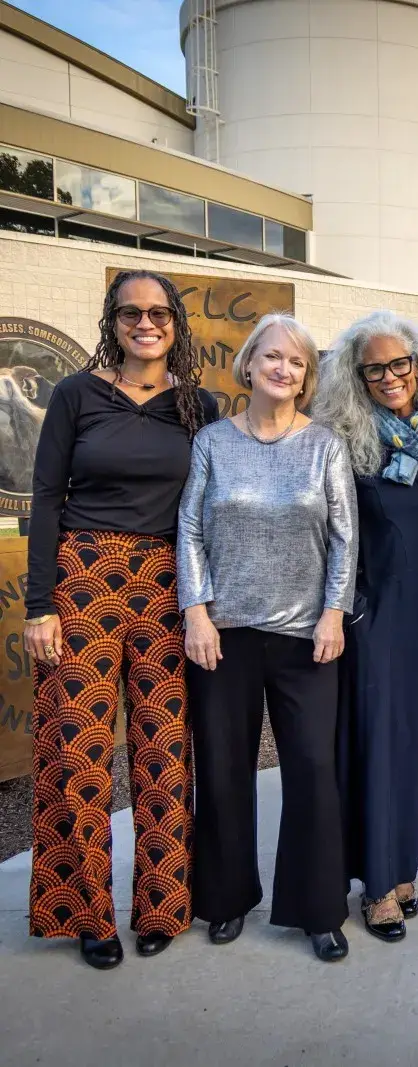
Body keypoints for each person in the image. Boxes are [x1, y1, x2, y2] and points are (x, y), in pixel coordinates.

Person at [24, 269, 218, 970]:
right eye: (132, 311)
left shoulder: (200, 405)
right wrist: (38, 603)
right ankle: (87, 913)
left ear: (176, 324)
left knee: (164, 751)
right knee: (78, 751)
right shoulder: (79, 394)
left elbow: (226, 495)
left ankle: (162, 903)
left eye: (159, 312)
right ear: (113, 319)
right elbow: (46, 496)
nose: (146, 322)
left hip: (170, 585)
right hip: (82, 580)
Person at [177, 313, 357, 963]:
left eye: (298, 362)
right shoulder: (214, 444)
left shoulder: (324, 447)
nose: (284, 368)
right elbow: (190, 529)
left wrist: (333, 612)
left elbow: (344, 537)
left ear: (305, 377)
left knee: (311, 770)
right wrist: (196, 612)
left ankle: (316, 908)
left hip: (306, 638)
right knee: (225, 771)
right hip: (223, 637)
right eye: (273, 356)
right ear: (248, 363)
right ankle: (225, 899)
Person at [317, 310, 418, 943]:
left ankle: (403, 869)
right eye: (372, 368)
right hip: (375, 611)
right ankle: (377, 882)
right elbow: (329, 535)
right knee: (381, 741)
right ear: (356, 376)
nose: (387, 377)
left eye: (397, 364)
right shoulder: (346, 442)